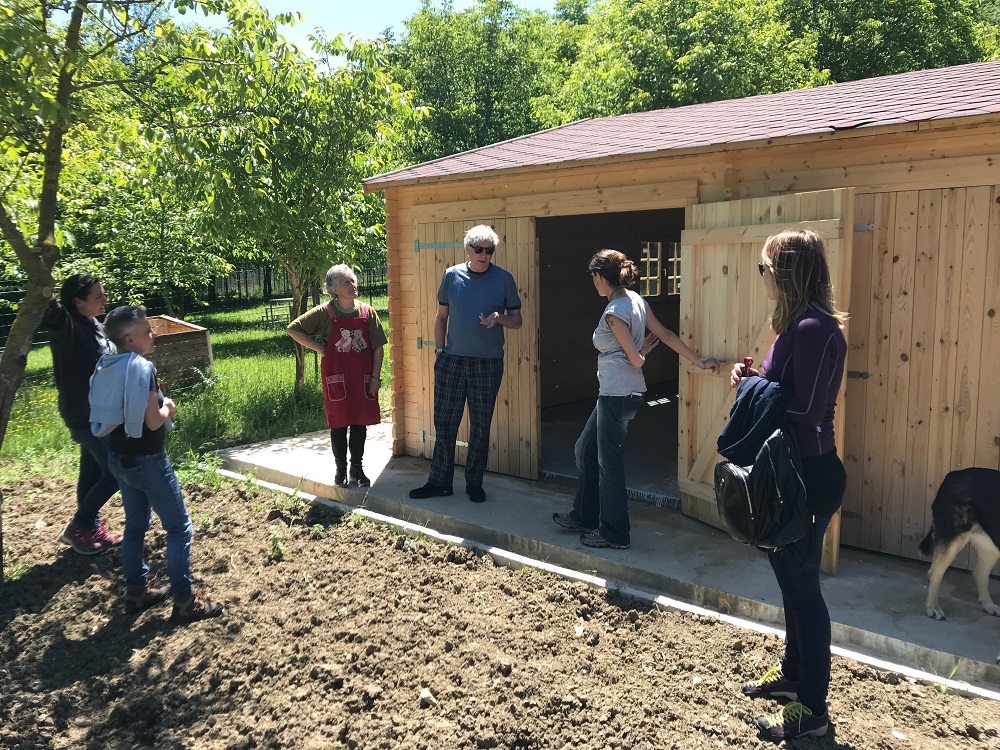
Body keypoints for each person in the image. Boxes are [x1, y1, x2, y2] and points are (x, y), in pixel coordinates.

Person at [732, 229, 847, 741]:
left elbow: (803, 408)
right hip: (789, 474)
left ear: (787, 272)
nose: (762, 278)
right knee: (790, 584)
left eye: (764, 268)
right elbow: (784, 391)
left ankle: (813, 712)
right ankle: (795, 677)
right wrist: (750, 376)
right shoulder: (793, 327)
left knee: (805, 592)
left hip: (809, 478)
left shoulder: (815, 329)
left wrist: (755, 387)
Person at [552, 249, 720, 549]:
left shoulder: (614, 312)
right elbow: (667, 334)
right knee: (584, 451)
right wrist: (699, 361)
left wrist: (641, 351)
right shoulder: (637, 302)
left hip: (618, 394)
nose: (593, 283)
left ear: (600, 277)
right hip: (619, 393)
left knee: (609, 465)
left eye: (593, 277)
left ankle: (614, 532)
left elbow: (637, 359)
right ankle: (585, 515)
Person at [91, 305, 223, 623]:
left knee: (135, 527)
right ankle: (184, 601)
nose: (154, 333)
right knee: (179, 527)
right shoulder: (141, 367)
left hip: (119, 458)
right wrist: (169, 408)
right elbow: (152, 422)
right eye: (147, 330)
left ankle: (136, 592)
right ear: (129, 338)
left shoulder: (106, 365)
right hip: (148, 461)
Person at [409, 225, 522, 503]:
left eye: (490, 250)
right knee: (445, 423)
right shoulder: (452, 276)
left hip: (488, 363)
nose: (485, 255)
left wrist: (499, 318)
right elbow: (440, 317)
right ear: (468, 249)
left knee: (481, 425)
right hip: (452, 361)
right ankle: (439, 482)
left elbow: (517, 321)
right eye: (480, 249)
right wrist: (439, 351)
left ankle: (474, 484)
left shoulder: (504, 279)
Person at [287, 265, 386, 487]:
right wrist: (321, 349)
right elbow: (293, 329)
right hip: (336, 378)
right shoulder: (325, 313)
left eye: (353, 281)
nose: (353, 286)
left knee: (360, 424)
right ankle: (340, 470)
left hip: (362, 379)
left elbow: (378, 347)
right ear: (333, 290)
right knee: (339, 425)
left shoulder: (368, 313)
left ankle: (356, 469)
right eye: (346, 283)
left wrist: (375, 377)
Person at [43, 274, 121, 555]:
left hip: (102, 412)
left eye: (104, 294)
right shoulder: (68, 327)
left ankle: (88, 528)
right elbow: (52, 314)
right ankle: (78, 525)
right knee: (115, 472)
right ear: (77, 302)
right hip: (84, 414)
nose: (105, 300)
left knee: (91, 474)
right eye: (98, 296)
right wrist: (42, 279)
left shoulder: (95, 325)